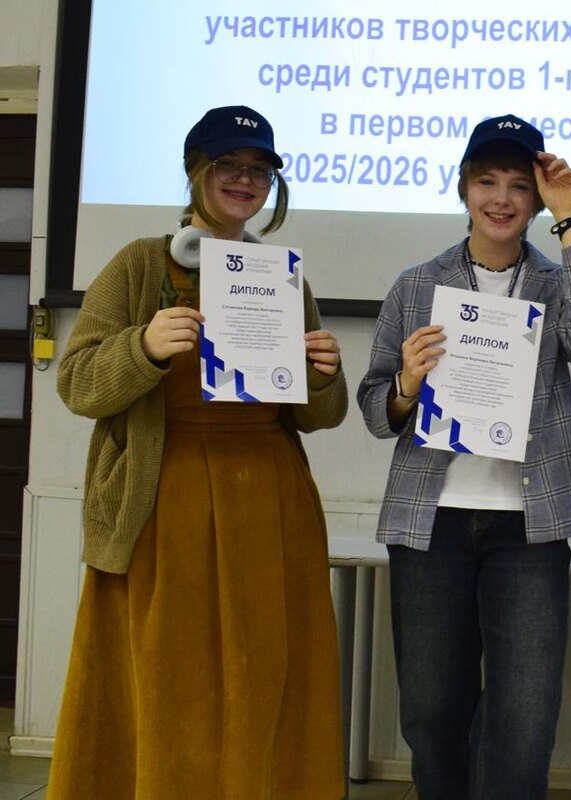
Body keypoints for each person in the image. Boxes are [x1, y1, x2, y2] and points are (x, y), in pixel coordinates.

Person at [48, 105, 347, 800]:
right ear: (195, 172)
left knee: (264, 673)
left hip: (269, 502)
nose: (244, 180)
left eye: (259, 171)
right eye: (227, 166)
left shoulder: (281, 279)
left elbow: (313, 417)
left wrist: (323, 376)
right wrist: (143, 348)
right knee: (168, 678)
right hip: (163, 501)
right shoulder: (139, 264)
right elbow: (76, 382)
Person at [357, 114, 571, 800]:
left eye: (519, 185)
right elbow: (374, 410)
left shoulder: (556, 283)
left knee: (525, 717)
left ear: (536, 200)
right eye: (486, 182)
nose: (501, 199)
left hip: (528, 527)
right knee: (432, 713)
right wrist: (408, 385)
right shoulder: (417, 285)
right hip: (431, 523)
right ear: (462, 188)